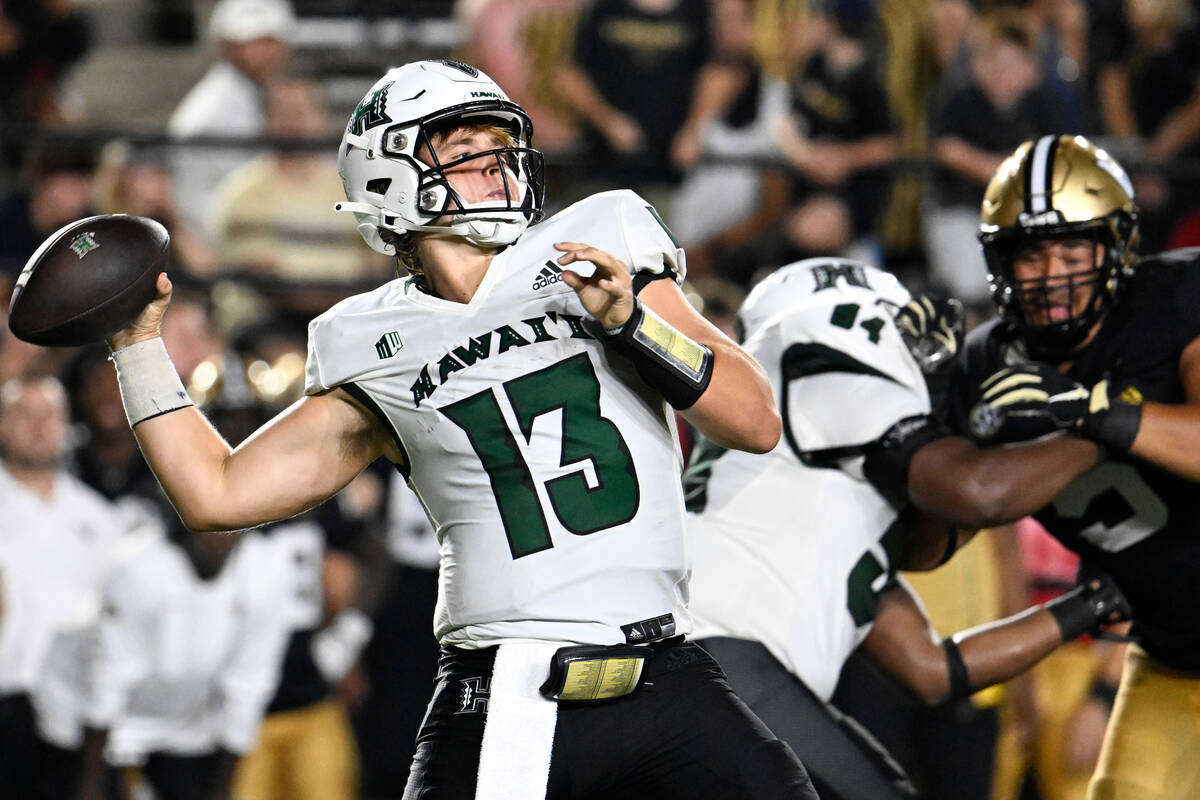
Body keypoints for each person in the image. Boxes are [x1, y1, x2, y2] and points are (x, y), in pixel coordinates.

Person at [103, 59, 817, 799]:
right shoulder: (368, 342)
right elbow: (215, 493)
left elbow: (755, 420)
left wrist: (633, 323)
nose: (495, 164)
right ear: (388, 180)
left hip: (669, 669)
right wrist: (136, 346)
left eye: (499, 142)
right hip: (511, 686)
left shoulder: (595, 246)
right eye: (463, 148)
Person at [682, 256, 1129, 800]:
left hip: (716, 674)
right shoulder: (813, 357)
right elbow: (978, 492)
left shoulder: (823, 507)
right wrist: (1112, 426)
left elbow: (934, 670)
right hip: (726, 667)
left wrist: (1094, 603)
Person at [959, 133, 1200, 800]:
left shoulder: (1174, 302)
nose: (1053, 275)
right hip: (1173, 657)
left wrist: (1096, 412)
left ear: (1115, 251)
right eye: (1032, 254)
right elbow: (954, 510)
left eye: (1073, 250)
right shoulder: (986, 363)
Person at [0, 376, 127, 799]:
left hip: (79, 718)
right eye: (24, 414)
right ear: (2, 424)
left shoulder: (100, 518)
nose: (38, 426)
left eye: (49, 415)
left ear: (67, 425)